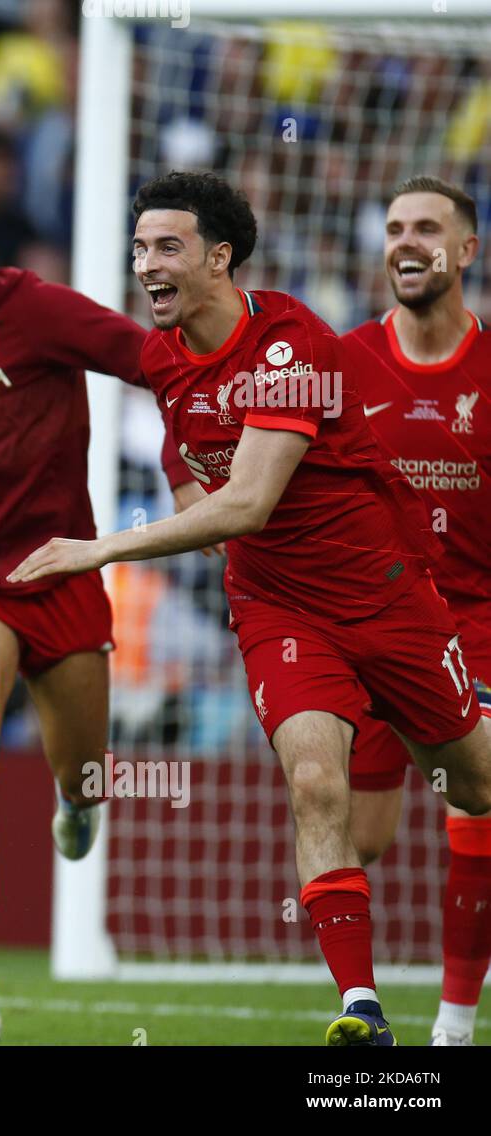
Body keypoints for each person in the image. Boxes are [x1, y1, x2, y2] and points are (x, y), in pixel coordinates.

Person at [10, 170, 491, 1046]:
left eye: (166, 247)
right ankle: (362, 1012)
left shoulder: (290, 343)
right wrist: (229, 556)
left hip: (384, 596)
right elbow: (187, 462)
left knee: (476, 784)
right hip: (280, 610)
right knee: (314, 784)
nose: (145, 264)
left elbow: (249, 501)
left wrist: (103, 548)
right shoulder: (161, 357)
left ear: (219, 257)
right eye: (139, 247)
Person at [0, 180, 190, 1043]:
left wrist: (184, 475)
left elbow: (158, 365)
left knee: (84, 770)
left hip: (62, 568)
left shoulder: (40, 313)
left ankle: (78, 801)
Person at [343, 176, 491, 1045]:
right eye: (395, 226)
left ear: (465, 251)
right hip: (373, 619)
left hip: (476, 623)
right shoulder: (345, 360)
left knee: (474, 807)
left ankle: (452, 1025)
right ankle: (359, 1006)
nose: (406, 241)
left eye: (427, 227)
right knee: (357, 836)